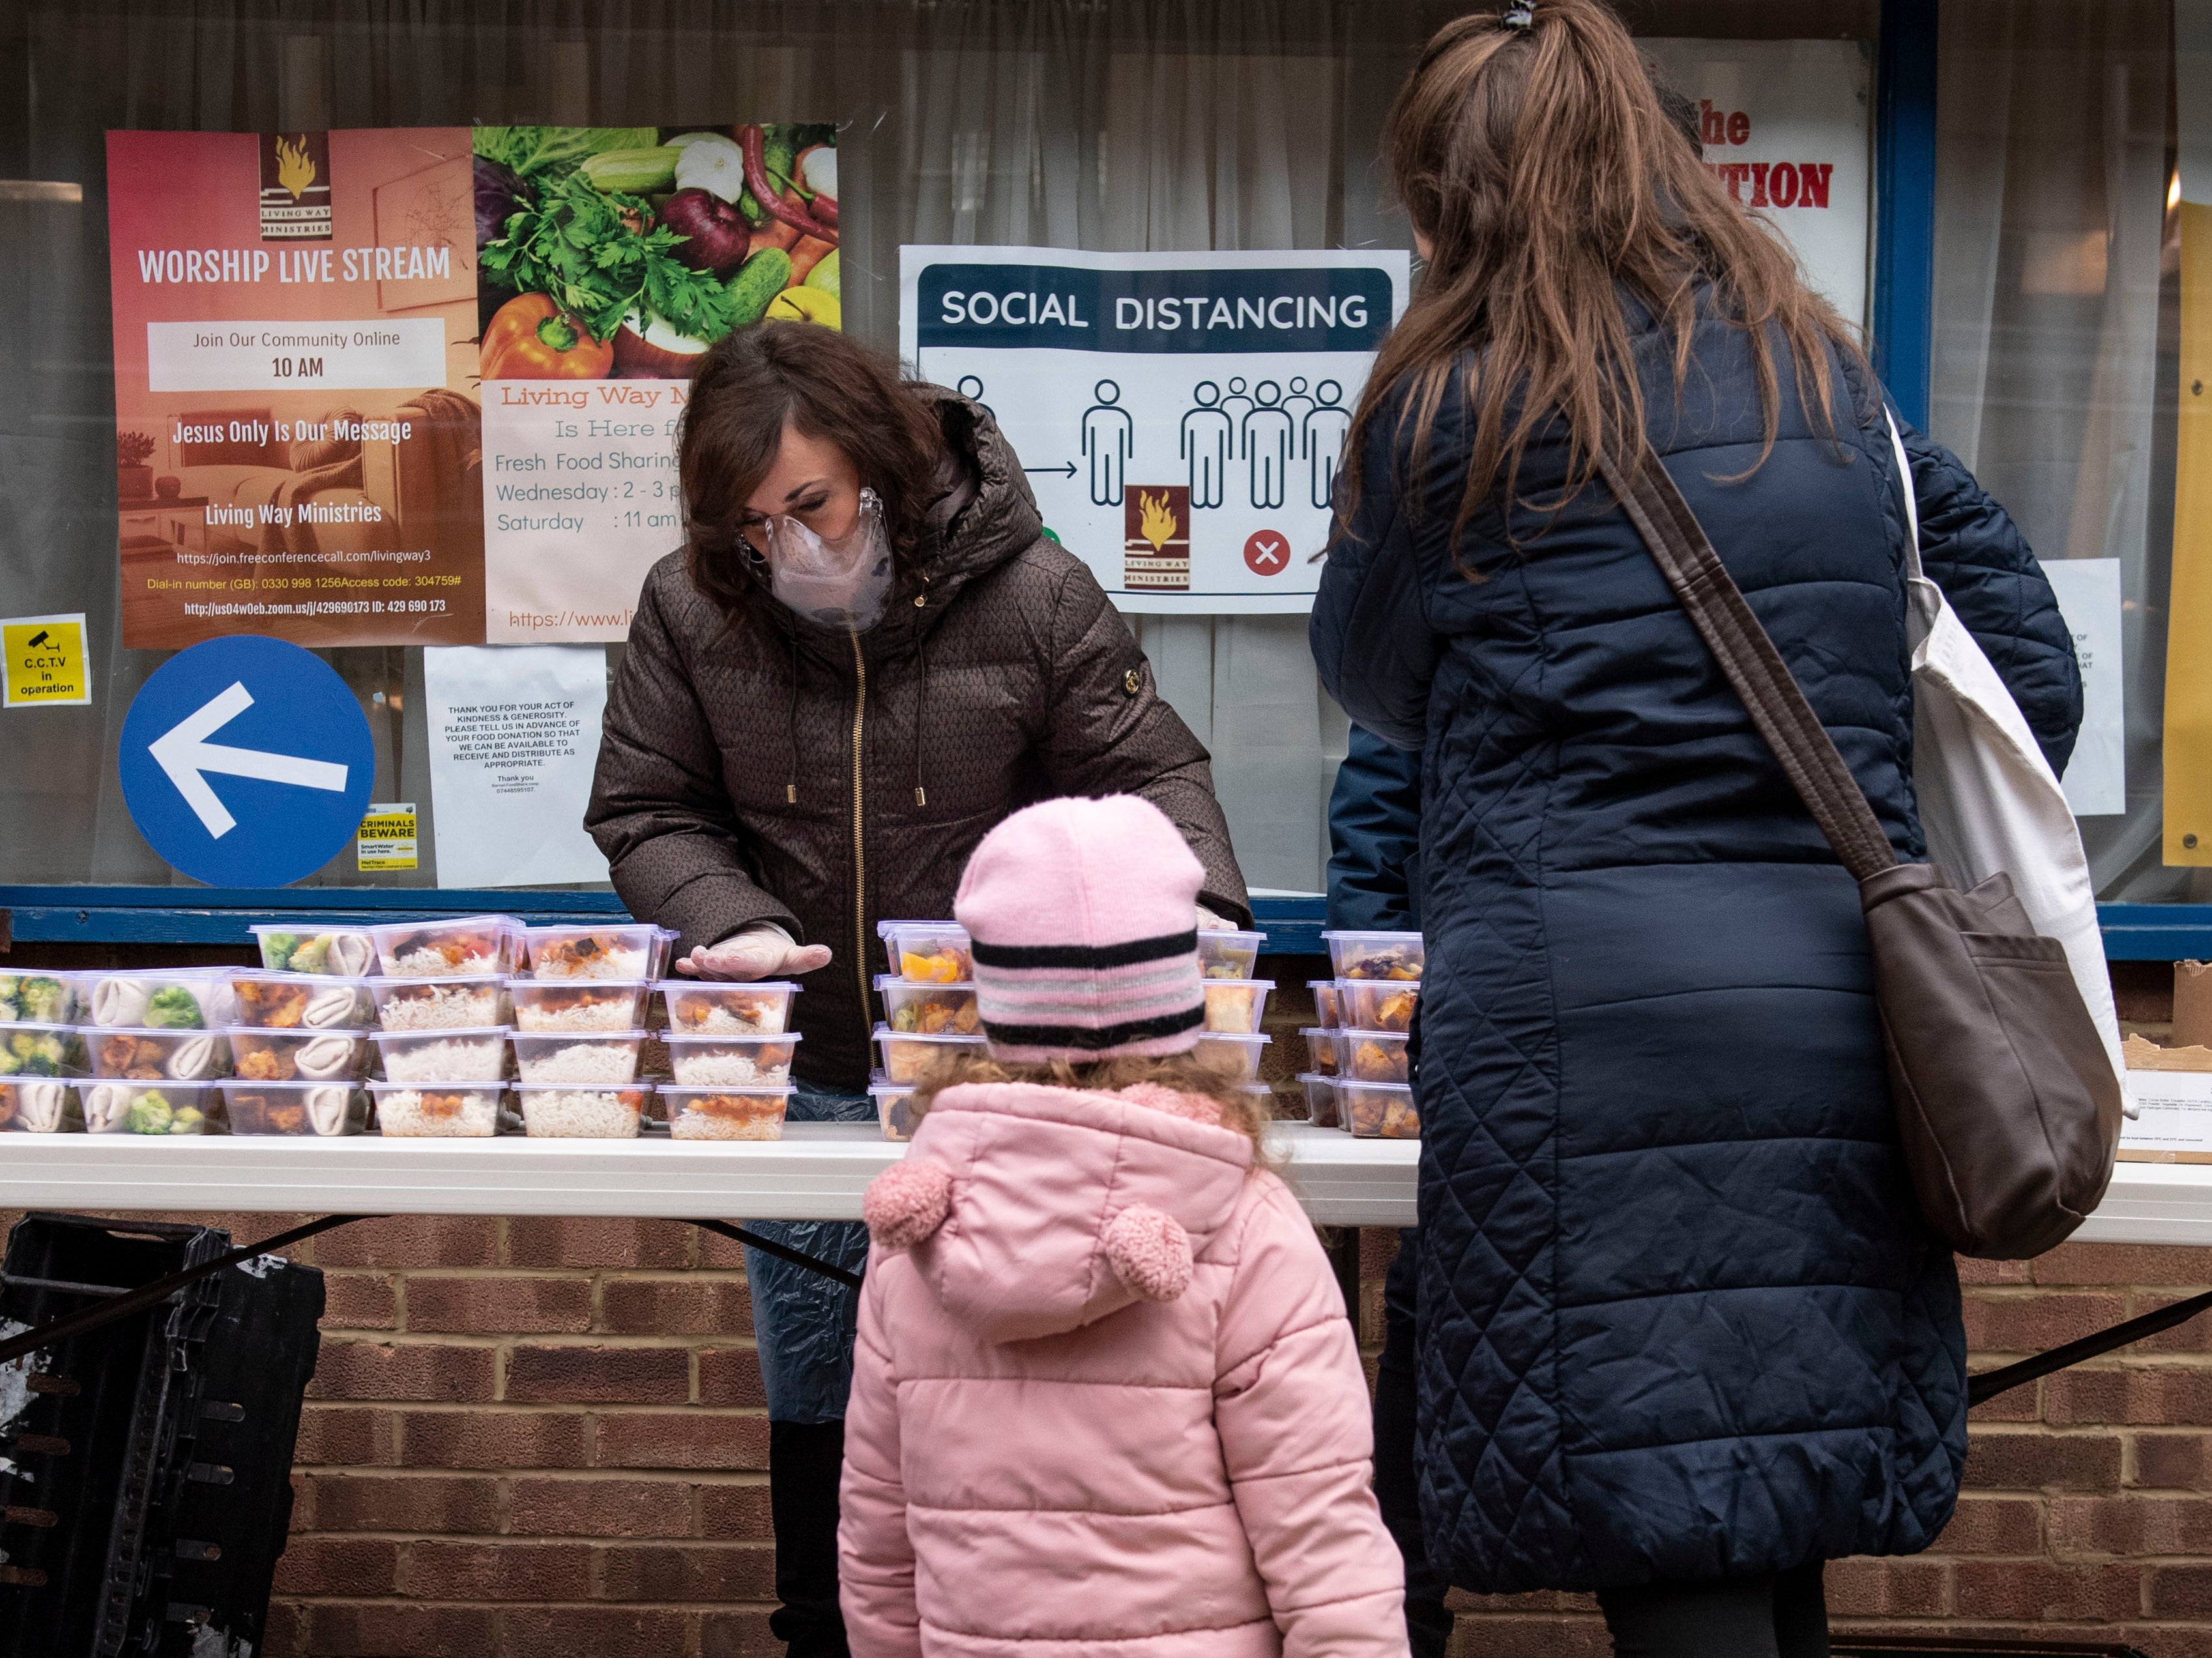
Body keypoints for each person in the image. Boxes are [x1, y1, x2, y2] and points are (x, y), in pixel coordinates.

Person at [1309, 5, 2083, 1656]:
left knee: (1668, 1526)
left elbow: (1367, 676)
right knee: (1763, 1504)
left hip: (1575, 1030)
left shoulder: (1450, 413)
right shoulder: (1826, 379)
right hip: (1826, 1008)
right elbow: (2027, 676)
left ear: (1460, 198)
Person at [587, 323, 1251, 1658]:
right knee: (826, 1386)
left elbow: (1156, 788)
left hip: (1013, 1082)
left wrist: (1195, 935)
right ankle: (820, 1630)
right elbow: (649, 808)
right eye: (751, 524)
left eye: (812, 506)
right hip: (814, 1073)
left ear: (882, 466)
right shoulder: (687, 604)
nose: (787, 548)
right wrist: (735, 923)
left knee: (1002, 1379)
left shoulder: (1037, 597)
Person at [837, 794, 1409, 1658]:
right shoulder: (1245, 1221)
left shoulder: (918, 1225)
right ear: (1182, 998)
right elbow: (1320, 1533)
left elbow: (877, 1542)